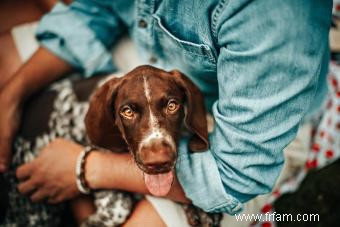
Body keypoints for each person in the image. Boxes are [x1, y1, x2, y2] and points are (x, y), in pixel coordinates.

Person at [0, 0, 333, 225]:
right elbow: (97, 11)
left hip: (249, 126)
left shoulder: (277, 15)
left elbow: (235, 177)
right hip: (144, 50)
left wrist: (84, 168)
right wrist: (9, 98)